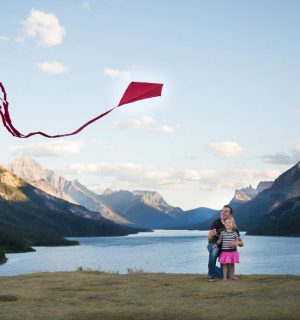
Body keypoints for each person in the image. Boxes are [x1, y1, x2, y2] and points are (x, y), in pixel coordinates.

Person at [207, 205, 243, 282]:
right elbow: (209, 239)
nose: (223, 213)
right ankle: (211, 275)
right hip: (214, 244)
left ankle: (213, 268)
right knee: (214, 251)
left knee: (227, 276)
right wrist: (211, 234)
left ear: (230, 214)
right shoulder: (216, 222)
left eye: (226, 211)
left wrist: (237, 243)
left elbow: (241, 243)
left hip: (226, 249)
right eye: (222, 211)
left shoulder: (233, 226)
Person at [214, 217, 240, 281]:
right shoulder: (222, 233)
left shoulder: (234, 233)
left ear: (233, 224)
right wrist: (216, 244)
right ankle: (225, 277)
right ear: (224, 225)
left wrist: (236, 244)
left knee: (232, 264)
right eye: (226, 223)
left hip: (233, 251)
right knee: (225, 265)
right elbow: (220, 240)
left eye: (229, 222)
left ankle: (232, 276)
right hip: (225, 252)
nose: (227, 224)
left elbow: (237, 241)